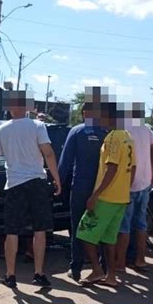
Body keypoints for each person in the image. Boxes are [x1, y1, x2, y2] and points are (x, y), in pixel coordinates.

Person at [0, 91, 61, 289]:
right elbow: (48, 153)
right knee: (40, 230)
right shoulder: (38, 126)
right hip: (37, 182)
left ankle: (10, 275)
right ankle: (38, 273)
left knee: (11, 231)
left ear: (10, 108)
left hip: (14, 184)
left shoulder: (1, 130)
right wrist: (56, 178)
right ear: (28, 107)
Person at [76, 102, 136, 287]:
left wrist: (95, 195)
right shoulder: (128, 137)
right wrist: (125, 189)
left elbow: (111, 168)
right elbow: (133, 168)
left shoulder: (112, 138)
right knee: (109, 239)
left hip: (107, 197)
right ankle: (111, 276)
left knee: (84, 232)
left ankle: (96, 270)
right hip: (121, 198)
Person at [58, 90, 109, 282]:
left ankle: (76, 267)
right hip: (103, 189)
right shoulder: (108, 133)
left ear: (85, 113)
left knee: (78, 227)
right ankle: (104, 268)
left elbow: (65, 162)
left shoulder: (77, 131)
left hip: (80, 187)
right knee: (101, 228)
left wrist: (58, 184)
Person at [116, 105, 153, 273]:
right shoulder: (147, 128)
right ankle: (140, 259)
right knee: (140, 223)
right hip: (145, 181)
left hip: (128, 183)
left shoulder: (122, 127)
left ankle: (120, 263)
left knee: (124, 225)